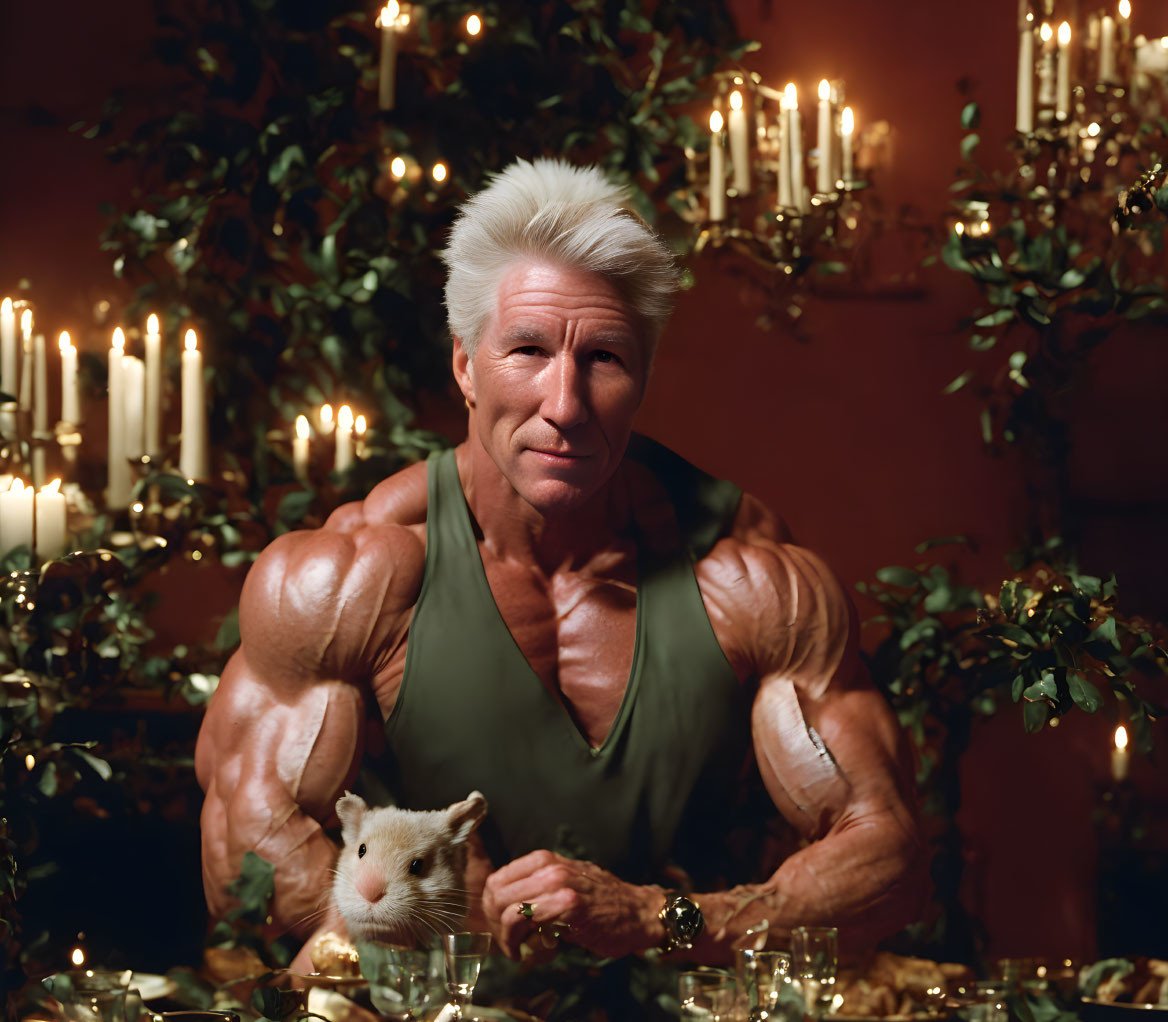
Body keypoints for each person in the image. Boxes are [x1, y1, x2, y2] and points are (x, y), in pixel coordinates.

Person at [195, 159, 925, 969]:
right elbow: (242, 844)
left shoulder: (746, 572)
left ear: (642, 376)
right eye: (529, 349)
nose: (566, 404)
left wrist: (661, 919)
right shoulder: (352, 574)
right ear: (466, 365)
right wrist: (457, 946)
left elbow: (888, 853)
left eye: (604, 358)